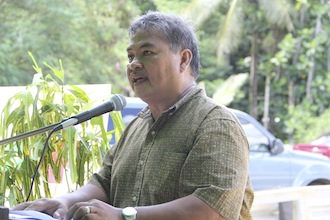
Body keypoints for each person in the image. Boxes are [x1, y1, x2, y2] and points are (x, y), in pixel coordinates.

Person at [13, 11, 254, 220]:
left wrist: (122, 215)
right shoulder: (137, 125)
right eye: (130, 56)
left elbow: (212, 210)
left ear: (183, 59)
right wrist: (65, 202)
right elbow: (103, 183)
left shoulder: (216, 123)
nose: (134, 65)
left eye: (147, 52)